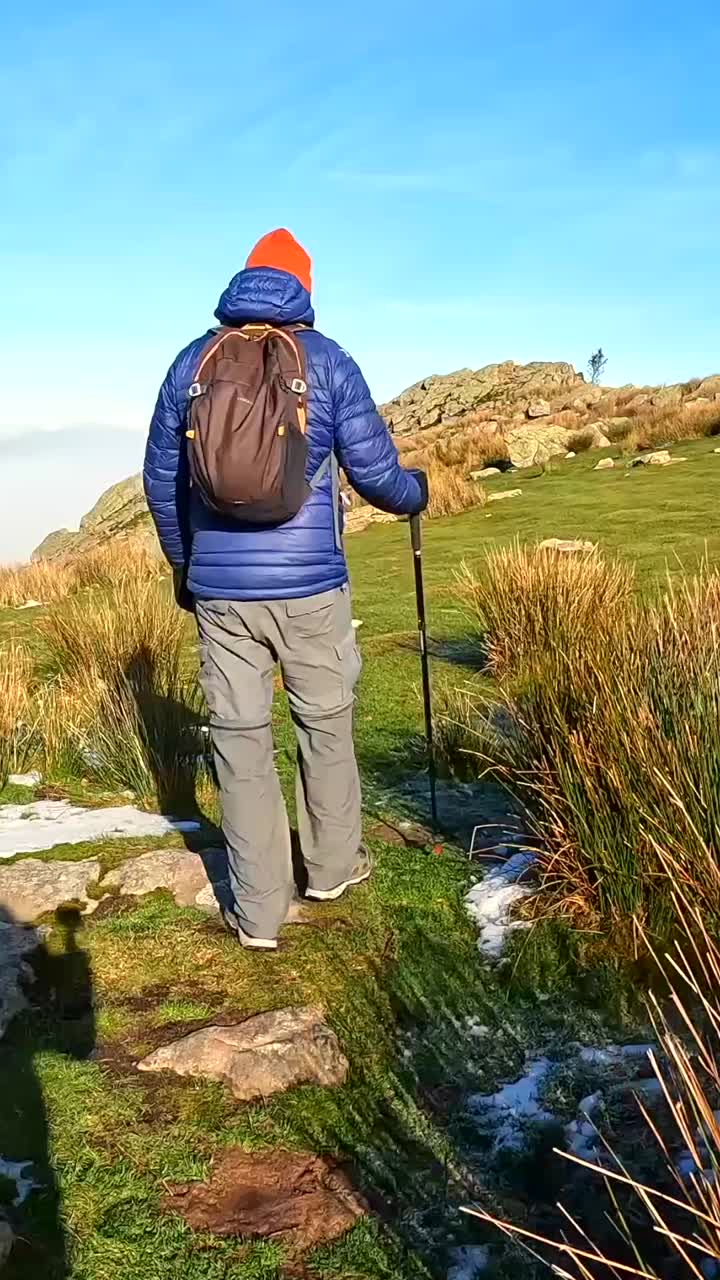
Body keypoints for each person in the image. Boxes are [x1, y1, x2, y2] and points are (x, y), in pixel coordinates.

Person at [144, 229, 428, 950]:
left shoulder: (192, 361)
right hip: (311, 587)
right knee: (324, 721)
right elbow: (378, 476)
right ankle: (331, 868)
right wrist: (417, 493)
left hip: (221, 592)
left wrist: (187, 566)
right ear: (304, 287)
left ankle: (259, 913)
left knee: (240, 741)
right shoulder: (326, 360)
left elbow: (161, 482)